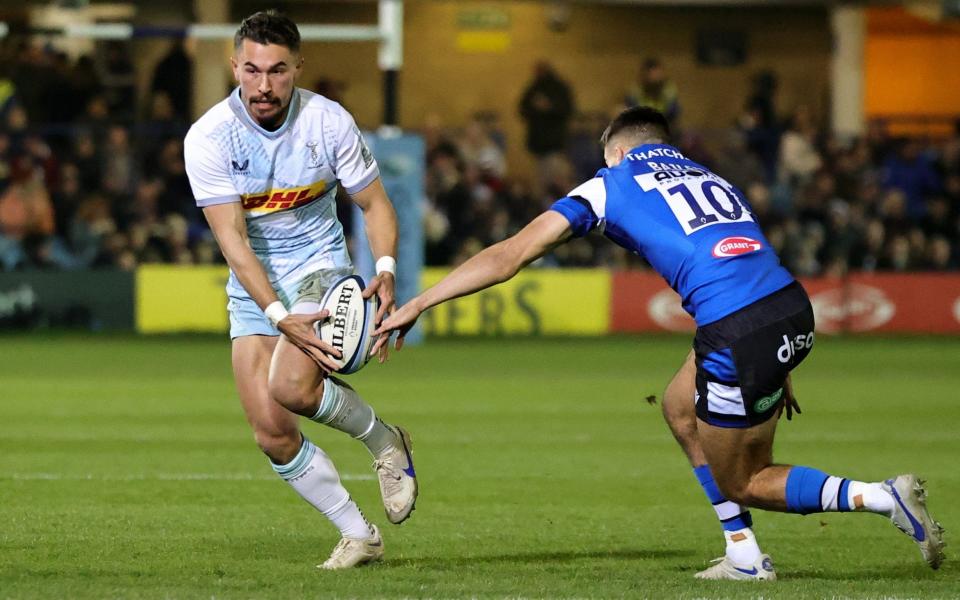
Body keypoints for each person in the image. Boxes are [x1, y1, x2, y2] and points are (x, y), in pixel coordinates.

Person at [372, 106, 945, 579]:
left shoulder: (611, 183)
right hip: (786, 309)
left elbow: (509, 255)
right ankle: (743, 553)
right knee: (678, 405)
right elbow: (749, 256)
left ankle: (880, 496)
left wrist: (421, 302)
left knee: (743, 478)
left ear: (616, 152)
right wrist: (776, 359)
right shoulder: (707, 175)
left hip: (737, 331)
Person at [183, 10, 417, 570]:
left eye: (278, 71)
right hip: (254, 283)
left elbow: (375, 203)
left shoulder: (328, 121)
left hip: (320, 266)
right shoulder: (209, 137)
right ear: (234, 66)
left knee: (291, 386)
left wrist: (384, 267)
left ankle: (384, 443)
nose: (264, 86)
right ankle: (359, 535)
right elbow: (233, 240)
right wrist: (271, 309)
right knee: (271, 432)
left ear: (297, 68)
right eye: (253, 70)